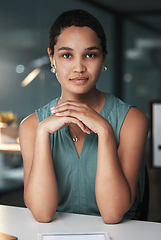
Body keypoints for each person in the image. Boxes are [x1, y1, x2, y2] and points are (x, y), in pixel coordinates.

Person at [19, 9, 149, 224]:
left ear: (103, 57)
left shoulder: (132, 120)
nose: (79, 67)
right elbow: (42, 214)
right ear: (52, 57)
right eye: (66, 55)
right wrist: (43, 133)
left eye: (90, 54)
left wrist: (105, 131)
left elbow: (113, 214)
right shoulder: (32, 126)